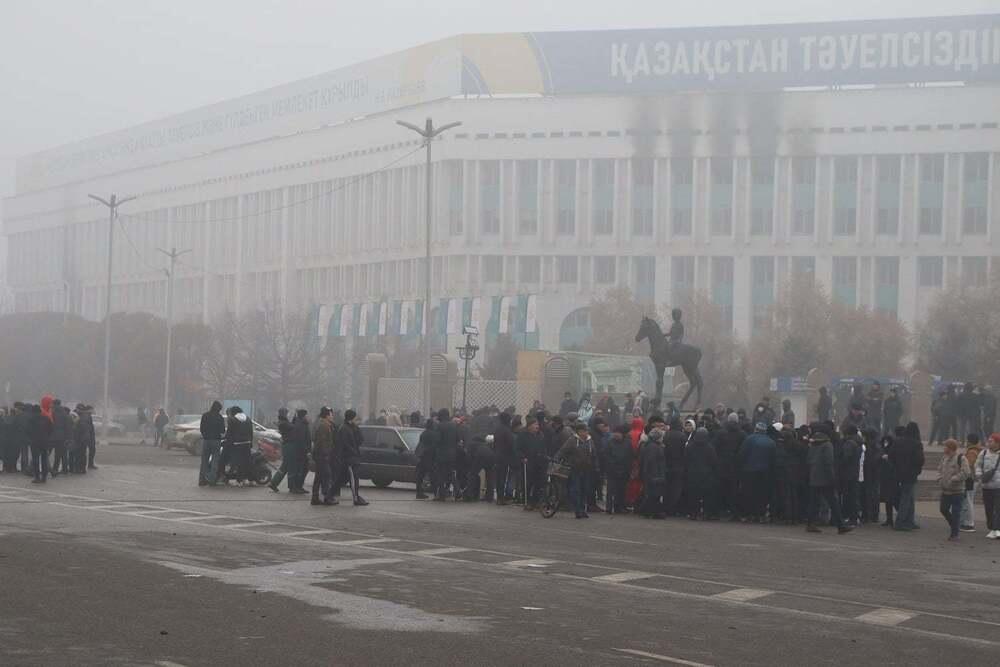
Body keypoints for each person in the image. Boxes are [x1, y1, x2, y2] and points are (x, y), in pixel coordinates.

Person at [805, 423, 852, 534]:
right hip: (826, 478)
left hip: (814, 476)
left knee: (814, 503)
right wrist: (832, 477)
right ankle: (841, 525)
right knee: (833, 502)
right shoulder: (827, 445)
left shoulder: (813, 444)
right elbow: (829, 462)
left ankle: (810, 524)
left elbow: (808, 460)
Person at [889, 421, 925, 531]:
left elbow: (891, 456)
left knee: (909, 497)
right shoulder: (916, 443)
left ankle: (910, 521)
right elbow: (920, 459)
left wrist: (896, 467)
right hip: (911, 474)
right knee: (906, 497)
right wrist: (917, 470)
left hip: (898, 472)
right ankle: (900, 522)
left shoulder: (898, 441)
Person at [557, 422, 597, 519]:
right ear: (579, 432)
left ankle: (583, 509)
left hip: (587, 469)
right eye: (584, 431)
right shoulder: (572, 440)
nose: (586, 432)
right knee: (576, 489)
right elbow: (562, 451)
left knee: (585, 489)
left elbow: (594, 454)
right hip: (575, 469)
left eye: (587, 430)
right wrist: (557, 460)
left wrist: (596, 466)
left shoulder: (590, 441)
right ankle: (577, 510)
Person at [740, 422, 776, 522]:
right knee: (762, 494)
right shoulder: (771, 442)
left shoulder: (749, 439)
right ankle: (760, 514)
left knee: (749, 493)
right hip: (765, 472)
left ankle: (748, 514)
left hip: (749, 471)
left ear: (756, 429)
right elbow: (773, 459)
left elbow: (742, 454)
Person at [938, 439, 971, 542]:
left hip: (957, 491)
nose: (944, 448)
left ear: (951, 448)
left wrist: (954, 479)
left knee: (956, 513)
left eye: (945, 446)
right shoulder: (944, 458)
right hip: (945, 490)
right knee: (943, 509)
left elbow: (966, 472)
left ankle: (954, 534)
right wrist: (939, 479)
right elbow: (939, 469)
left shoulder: (961, 458)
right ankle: (954, 526)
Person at [713, 413, 744, 519]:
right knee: (733, 490)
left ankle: (718, 512)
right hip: (735, 466)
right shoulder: (741, 434)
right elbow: (743, 451)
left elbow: (714, 447)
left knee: (719, 489)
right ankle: (734, 512)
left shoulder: (721, 433)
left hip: (721, 465)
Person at [685, 427, 719, 520]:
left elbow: (686, 460)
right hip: (706, 475)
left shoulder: (690, 446)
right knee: (707, 496)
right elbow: (714, 462)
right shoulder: (710, 447)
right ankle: (706, 513)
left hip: (692, 474)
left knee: (693, 495)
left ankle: (693, 513)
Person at [338, 410, 368, 506]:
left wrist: (356, 428)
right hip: (349, 458)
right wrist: (353, 452)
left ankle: (329, 495)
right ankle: (356, 498)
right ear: (351, 418)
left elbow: (360, 439)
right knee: (353, 478)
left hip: (353, 456)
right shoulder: (344, 428)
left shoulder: (353, 427)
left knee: (340, 479)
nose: (357, 419)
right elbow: (345, 444)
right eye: (355, 417)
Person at [517, 416, 546, 510]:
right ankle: (528, 501)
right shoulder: (522, 435)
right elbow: (517, 448)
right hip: (528, 462)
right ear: (529, 426)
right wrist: (522, 457)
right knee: (528, 483)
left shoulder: (540, 435)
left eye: (538, 424)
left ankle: (535, 501)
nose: (537, 426)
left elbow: (544, 447)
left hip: (539, 462)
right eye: (535, 424)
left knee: (539, 483)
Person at [311, 407, 339, 506]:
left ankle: (315, 498)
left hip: (320, 455)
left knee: (318, 477)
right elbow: (322, 443)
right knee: (327, 476)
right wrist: (326, 454)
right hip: (322, 456)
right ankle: (327, 498)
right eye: (331, 414)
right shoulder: (324, 426)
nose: (332, 416)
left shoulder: (325, 424)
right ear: (327, 415)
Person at [638, 423, 667, 519]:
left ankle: (651, 511)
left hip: (651, 474)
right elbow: (652, 462)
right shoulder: (654, 447)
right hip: (654, 474)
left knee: (652, 494)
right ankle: (651, 512)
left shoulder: (649, 445)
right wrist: (656, 476)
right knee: (654, 494)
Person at [974, 433, 1000, 539]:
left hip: (998, 486)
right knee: (988, 509)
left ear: (997, 443)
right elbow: (978, 465)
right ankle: (991, 527)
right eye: (988, 441)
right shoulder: (984, 453)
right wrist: (979, 474)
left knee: (998, 509)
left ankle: (996, 529)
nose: (988, 443)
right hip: (986, 485)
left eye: (991, 441)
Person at [604, 424, 630, 515]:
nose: (616, 434)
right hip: (612, 471)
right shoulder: (609, 443)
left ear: (622, 434)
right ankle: (608, 507)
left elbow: (630, 456)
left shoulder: (627, 443)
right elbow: (607, 457)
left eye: (618, 433)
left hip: (624, 470)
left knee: (621, 490)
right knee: (610, 491)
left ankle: (618, 507)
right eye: (615, 433)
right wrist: (613, 467)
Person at [199, 401, 226, 486]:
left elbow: (201, 428)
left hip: (206, 440)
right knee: (215, 461)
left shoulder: (205, 415)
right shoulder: (220, 417)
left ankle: (202, 480)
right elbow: (222, 430)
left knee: (204, 460)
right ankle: (212, 480)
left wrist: (205, 435)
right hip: (216, 441)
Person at [226, 407, 254, 486]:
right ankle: (249, 479)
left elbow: (230, 433)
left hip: (237, 444)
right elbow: (251, 432)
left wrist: (228, 442)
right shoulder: (248, 419)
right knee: (247, 462)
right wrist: (251, 442)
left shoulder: (233, 420)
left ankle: (239, 481)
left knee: (238, 463)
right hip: (247, 443)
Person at [960, 434, 982, 533]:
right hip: (974, 479)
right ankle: (966, 522)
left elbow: (969, 465)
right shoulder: (977, 450)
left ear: (970, 441)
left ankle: (969, 523)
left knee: (968, 501)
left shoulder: (972, 452)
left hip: (971, 479)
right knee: (968, 500)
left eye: (967, 440)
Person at [493, 412, 515, 506]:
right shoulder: (507, 430)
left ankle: (499, 497)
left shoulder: (497, 429)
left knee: (498, 478)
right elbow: (511, 444)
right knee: (502, 477)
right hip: (505, 456)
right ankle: (501, 498)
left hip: (497, 455)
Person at [879, 431, 900, 527]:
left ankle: (899, 517)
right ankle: (889, 519)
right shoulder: (883, 449)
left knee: (893, 500)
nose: (885, 443)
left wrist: (887, 459)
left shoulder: (892, 450)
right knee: (888, 500)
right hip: (885, 478)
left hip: (891, 479)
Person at [30, 401, 54, 483]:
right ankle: (44, 477)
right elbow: (51, 429)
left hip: (34, 442)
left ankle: (37, 477)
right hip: (45, 441)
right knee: (44, 459)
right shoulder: (46, 418)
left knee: (35, 460)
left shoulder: (31, 419)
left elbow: (27, 430)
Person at [625, 417, 645, 509]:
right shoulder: (641, 434)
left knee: (629, 481)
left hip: (629, 460)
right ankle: (635, 499)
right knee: (637, 481)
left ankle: (628, 499)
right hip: (637, 460)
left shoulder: (628, 433)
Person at [415, 418, 438, 500]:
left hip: (422, 457)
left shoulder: (423, 433)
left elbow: (420, 445)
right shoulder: (434, 434)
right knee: (433, 476)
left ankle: (419, 492)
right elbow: (435, 446)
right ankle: (436, 494)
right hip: (430, 457)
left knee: (420, 475)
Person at [49, 400, 71, 476]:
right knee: (62, 454)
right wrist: (68, 437)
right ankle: (64, 469)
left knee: (49, 453)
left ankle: (54, 469)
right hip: (62, 437)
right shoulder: (65, 414)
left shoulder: (53, 413)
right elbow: (67, 427)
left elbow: (50, 424)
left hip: (53, 436)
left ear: (54, 404)